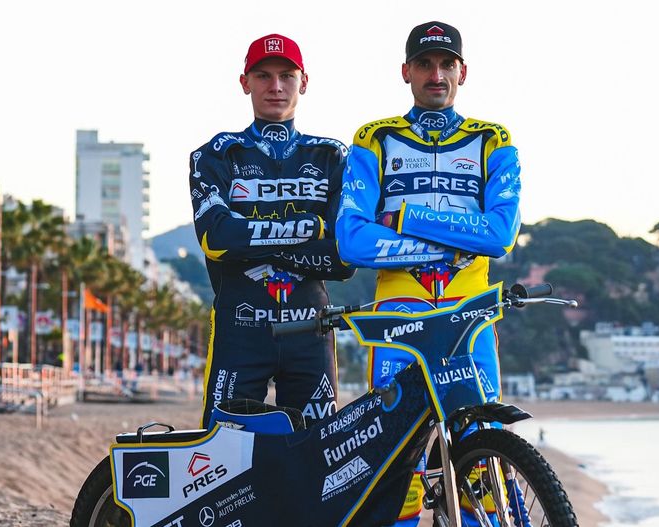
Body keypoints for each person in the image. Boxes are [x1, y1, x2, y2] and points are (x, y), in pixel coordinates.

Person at [336, 21, 522, 526]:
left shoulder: (492, 138)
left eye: (446, 64)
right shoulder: (375, 138)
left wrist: (405, 218)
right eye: (424, 64)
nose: (436, 74)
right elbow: (352, 240)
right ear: (406, 72)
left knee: (482, 458)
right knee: (400, 465)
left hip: (469, 312)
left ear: (463, 72)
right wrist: (453, 243)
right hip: (399, 313)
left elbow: (499, 235)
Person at [189, 33, 352, 428]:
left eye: (286, 76)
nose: (275, 86)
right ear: (244, 82)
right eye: (263, 75)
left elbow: (343, 258)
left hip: (311, 331)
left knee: (316, 451)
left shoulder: (332, 156)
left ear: (304, 82)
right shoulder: (216, 154)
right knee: (223, 451)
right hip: (240, 330)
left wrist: (254, 240)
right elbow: (217, 239)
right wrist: (311, 228)